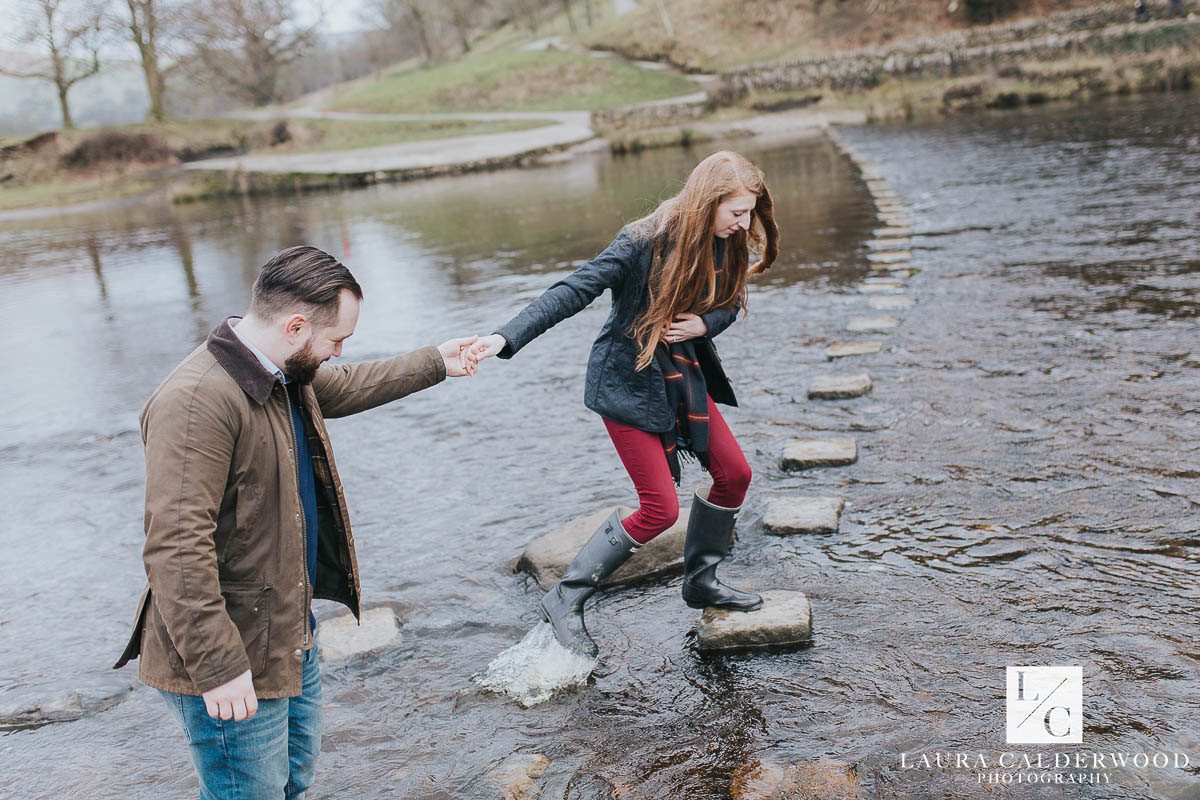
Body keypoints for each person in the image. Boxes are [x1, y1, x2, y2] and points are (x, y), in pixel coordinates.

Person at [113, 246, 479, 799]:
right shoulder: (196, 404)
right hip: (231, 653)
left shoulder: (280, 370)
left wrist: (437, 362)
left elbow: (351, 384)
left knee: (292, 783)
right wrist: (219, 666)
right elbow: (175, 548)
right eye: (337, 341)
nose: (338, 353)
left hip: (286, 629)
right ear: (296, 325)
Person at [471, 150, 780, 657]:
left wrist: (705, 324)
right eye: (736, 212)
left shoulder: (727, 241)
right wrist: (505, 338)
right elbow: (574, 290)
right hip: (628, 381)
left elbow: (728, 301)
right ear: (706, 202)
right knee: (659, 510)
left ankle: (700, 582)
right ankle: (566, 597)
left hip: (685, 377)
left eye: (749, 212)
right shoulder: (641, 241)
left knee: (736, 474)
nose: (745, 223)